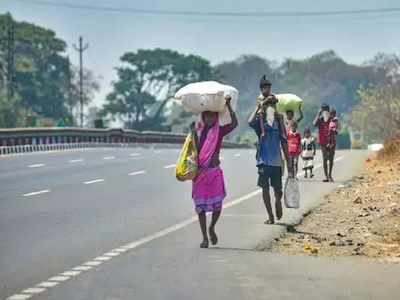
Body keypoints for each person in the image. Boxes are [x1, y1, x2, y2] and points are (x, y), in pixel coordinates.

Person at [191, 95, 238, 248]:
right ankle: (204, 237)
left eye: (212, 116)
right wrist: (192, 134)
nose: (209, 119)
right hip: (200, 174)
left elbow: (234, 123)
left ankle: (212, 227)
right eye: (207, 116)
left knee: (217, 206)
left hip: (214, 172)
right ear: (203, 117)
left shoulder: (219, 132)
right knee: (200, 208)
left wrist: (229, 106)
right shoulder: (198, 132)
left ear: (216, 117)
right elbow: (194, 151)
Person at [248, 76, 291, 225]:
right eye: (269, 104)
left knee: (277, 191)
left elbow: (284, 142)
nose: (270, 106)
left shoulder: (279, 120)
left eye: (272, 104)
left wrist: (289, 162)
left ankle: (278, 202)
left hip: (277, 162)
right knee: (265, 188)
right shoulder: (260, 120)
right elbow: (249, 121)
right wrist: (259, 106)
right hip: (263, 161)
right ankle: (270, 216)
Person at [313, 103, 334, 182]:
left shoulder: (331, 119)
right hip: (322, 141)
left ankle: (330, 175)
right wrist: (318, 114)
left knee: (331, 159)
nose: (325, 112)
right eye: (323, 110)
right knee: (325, 158)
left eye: (326, 110)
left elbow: (336, 128)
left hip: (331, 141)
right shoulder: (320, 119)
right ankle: (326, 176)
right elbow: (314, 124)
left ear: (328, 110)